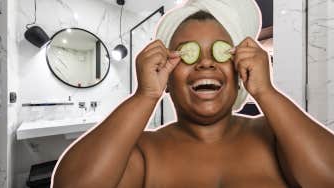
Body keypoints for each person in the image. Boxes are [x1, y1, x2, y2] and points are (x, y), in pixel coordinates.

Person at [51, 0, 334, 187]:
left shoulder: (278, 138)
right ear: (167, 78)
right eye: (188, 53)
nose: (206, 61)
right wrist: (144, 96)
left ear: (239, 72)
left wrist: (266, 91)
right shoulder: (142, 153)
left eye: (221, 51)